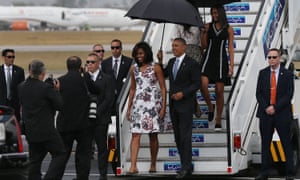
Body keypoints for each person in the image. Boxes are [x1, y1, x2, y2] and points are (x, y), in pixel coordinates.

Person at [157, 38, 201, 179]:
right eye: (173, 46)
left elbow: (196, 84)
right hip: (174, 106)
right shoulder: (171, 62)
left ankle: (186, 167)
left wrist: (183, 93)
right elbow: (163, 74)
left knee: (185, 136)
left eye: (176, 46)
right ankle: (184, 165)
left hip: (186, 105)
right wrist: (160, 60)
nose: (173, 48)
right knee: (177, 137)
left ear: (184, 47)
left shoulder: (192, 64)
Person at [18, 60, 66, 180]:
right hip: (46, 130)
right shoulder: (46, 88)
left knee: (35, 160)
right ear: (43, 73)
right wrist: (56, 90)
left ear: (30, 71)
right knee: (60, 154)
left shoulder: (21, 87)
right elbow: (60, 105)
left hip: (31, 130)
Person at [126, 42, 166, 174]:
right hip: (138, 105)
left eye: (141, 53)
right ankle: (133, 166)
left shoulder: (156, 68)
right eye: (137, 54)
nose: (139, 56)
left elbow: (163, 88)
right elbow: (132, 88)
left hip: (153, 104)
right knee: (135, 134)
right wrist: (129, 107)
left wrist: (163, 107)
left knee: (153, 135)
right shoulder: (133, 69)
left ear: (147, 53)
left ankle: (153, 164)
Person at [255, 48, 295, 180]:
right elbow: (258, 93)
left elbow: (289, 94)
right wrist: (267, 107)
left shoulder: (287, 74)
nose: (271, 60)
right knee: (265, 143)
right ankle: (264, 172)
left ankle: (290, 173)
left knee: (286, 143)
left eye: (274, 57)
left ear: (279, 58)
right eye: (269, 57)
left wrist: (275, 107)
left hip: (282, 113)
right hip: (266, 113)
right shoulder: (263, 73)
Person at [56, 56, 93, 180]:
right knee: (83, 155)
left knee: (62, 155)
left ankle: (55, 176)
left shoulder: (60, 81)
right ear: (80, 67)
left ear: (67, 66)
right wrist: (85, 75)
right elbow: (97, 91)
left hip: (65, 124)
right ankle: (82, 177)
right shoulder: (84, 81)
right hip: (83, 124)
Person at [200, 5, 234, 131]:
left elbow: (230, 47)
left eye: (216, 13)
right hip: (208, 58)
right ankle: (210, 107)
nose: (214, 15)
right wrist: (203, 33)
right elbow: (203, 46)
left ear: (221, 13)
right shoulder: (208, 26)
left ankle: (218, 119)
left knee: (219, 91)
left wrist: (231, 65)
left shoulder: (229, 28)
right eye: (212, 13)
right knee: (202, 84)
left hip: (221, 60)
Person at [85, 53, 115, 180]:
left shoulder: (107, 78)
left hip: (101, 119)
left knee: (102, 148)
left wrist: (97, 112)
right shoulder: (84, 78)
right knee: (85, 148)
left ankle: (103, 174)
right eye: (88, 62)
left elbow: (109, 99)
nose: (89, 64)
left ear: (98, 64)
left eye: (92, 62)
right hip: (86, 120)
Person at [176, 24, 202, 118]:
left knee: (193, 81)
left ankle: (194, 105)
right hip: (184, 52)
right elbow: (177, 41)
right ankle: (194, 105)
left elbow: (201, 42)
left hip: (196, 52)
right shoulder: (179, 24)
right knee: (187, 82)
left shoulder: (197, 23)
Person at [101, 39, 133, 115]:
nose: (115, 50)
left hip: (123, 97)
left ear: (121, 48)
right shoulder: (105, 63)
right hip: (110, 99)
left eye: (117, 47)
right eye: (113, 48)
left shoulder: (129, 62)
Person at [0, 49, 25, 129]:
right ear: (4, 57)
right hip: (2, 104)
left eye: (13, 57)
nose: (12, 59)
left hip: (15, 105)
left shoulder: (19, 71)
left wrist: (22, 104)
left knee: (15, 126)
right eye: (9, 57)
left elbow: (22, 88)